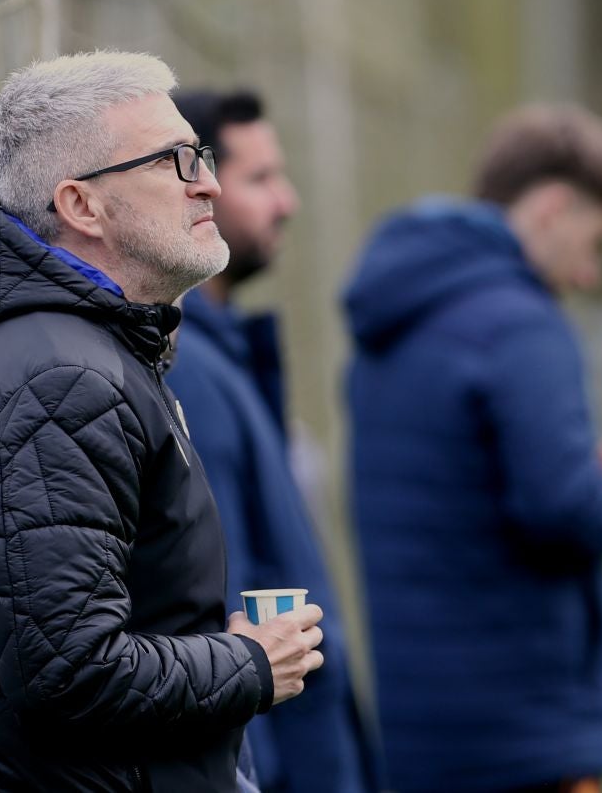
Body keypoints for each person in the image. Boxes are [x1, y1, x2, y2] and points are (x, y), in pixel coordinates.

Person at [0, 51, 326, 792]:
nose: (209, 184)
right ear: (82, 205)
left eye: (203, 156)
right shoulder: (56, 383)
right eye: (176, 161)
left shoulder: (81, 353)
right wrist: (250, 662)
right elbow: (71, 670)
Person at [343, 104, 602, 793]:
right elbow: (565, 508)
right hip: (526, 736)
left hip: (421, 729)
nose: (588, 276)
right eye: (595, 243)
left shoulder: (395, 316)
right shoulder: (521, 326)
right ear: (551, 207)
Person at [164, 89, 379, 793]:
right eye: (259, 180)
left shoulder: (224, 358)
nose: (285, 201)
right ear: (196, 189)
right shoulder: (186, 374)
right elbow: (217, 603)